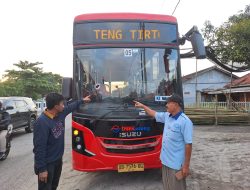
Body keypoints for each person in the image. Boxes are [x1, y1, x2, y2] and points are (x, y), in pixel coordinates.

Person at [134, 94, 193, 190]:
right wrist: (142, 106)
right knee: (167, 186)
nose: (166, 105)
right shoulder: (167, 116)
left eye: (168, 103)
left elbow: (188, 145)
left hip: (176, 164)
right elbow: (153, 113)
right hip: (165, 161)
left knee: (176, 187)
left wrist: (186, 166)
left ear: (176, 105)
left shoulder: (185, 122)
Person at [33, 93, 91, 190]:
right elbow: (39, 148)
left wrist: (82, 100)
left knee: (54, 186)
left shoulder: (60, 113)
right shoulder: (42, 122)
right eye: (62, 104)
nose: (64, 106)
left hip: (57, 160)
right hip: (48, 164)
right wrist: (42, 169)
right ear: (56, 106)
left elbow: (70, 107)